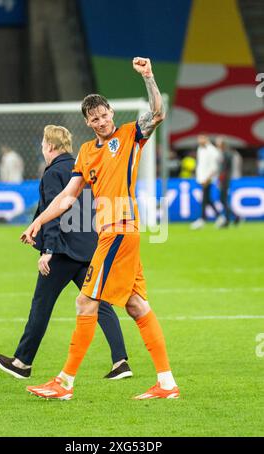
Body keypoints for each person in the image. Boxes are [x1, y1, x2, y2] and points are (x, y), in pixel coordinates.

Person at [21, 57, 179, 401]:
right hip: (114, 232)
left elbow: (158, 113)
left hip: (120, 229)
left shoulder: (129, 134)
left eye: (105, 114)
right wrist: (38, 221)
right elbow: (66, 197)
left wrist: (149, 77)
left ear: (110, 113)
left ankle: (64, 383)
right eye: (95, 118)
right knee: (137, 306)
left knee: (84, 301)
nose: (103, 121)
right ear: (87, 122)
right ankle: (166, 384)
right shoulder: (85, 152)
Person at [0, 125, 132, 381]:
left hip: (62, 252)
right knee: (99, 304)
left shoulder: (53, 173)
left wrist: (47, 250)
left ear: (49, 146)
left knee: (41, 305)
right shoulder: (83, 166)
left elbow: (55, 216)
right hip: (89, 248)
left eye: (43, 144)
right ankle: (121, 361)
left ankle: (22, 362)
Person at [190, 134, 223, 230]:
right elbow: (201, 165)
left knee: (205, 199)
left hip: (208, 179)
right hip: (202, 178)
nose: (199, 140)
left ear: (206, 138)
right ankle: (219, 217)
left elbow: (215, 167)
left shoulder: (212, 151)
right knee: (207, 199)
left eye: (201, 138)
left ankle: (202, 219)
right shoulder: (200, 149)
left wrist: (208, 178)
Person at [215, 136, 240, 227]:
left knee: (223, 199)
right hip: (225, 179)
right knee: (223, 199)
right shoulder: (225, 153)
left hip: (225, 180)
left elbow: (224, 169)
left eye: (218, 143)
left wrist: (220, 180)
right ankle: (232, 218)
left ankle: (231, 218)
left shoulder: (226, 154)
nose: (217, 144)